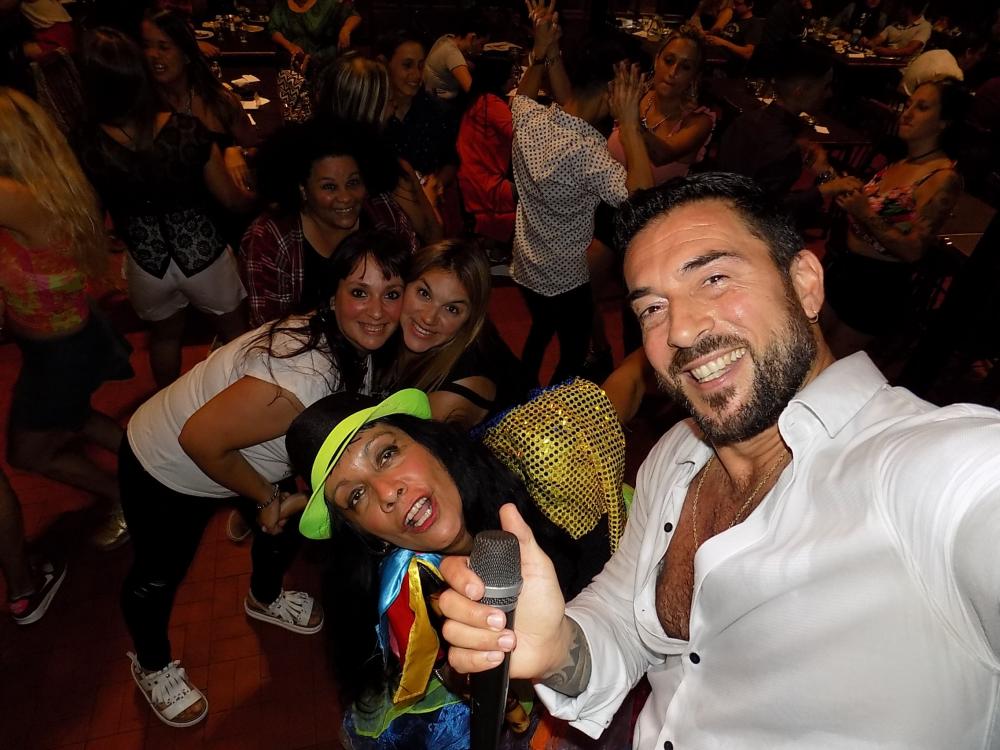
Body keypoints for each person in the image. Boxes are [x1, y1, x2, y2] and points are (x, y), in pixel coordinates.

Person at [437, 171, 1000, 749]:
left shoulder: (940, 468)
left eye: (713, 278)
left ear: (805, 284)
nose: (680, 329)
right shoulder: (676, 453)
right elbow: (626, 613)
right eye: (652, 308)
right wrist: (558, 647)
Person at [119, 230, 407, 728]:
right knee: (158, 573)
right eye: (360, 292)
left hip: (241, 454)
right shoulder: (302, 377)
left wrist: (275, 499)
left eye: (392, 293)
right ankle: (152, 663)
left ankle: (265, 596)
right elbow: (200, 440)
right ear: (333, 294)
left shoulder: (347, 337)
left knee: (285, 526)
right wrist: (265, 496)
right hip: (165, 462)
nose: (378, 311)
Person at [281, 376, 628, 747]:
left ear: (428, 443)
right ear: (364, 531)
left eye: (386, 454)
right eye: (356, 496)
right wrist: (459, 674)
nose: (387, 492)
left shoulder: (546, 472)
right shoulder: (401, 599)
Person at [76, 28, 253, 388]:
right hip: (204, 256)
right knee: (237, 336)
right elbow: (231, 201)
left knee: (165, 338)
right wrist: (262, 197)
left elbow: (91, 214)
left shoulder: (86, 142)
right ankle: (243, 402)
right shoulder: (185, 130)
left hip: (146, 264)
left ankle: (167, 404)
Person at [0, 86, 133, 553]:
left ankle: (125, 497)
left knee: (27, 453)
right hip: (65, 338)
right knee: (77, 417)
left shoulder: (13, 195)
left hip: (61, 353)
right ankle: (157, 472)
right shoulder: (45, 182)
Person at [510, 0, 652, 386]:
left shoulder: (530, 119)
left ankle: (521, 385)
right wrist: (629, 124)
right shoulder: (588, 154)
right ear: (613, 92)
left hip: (525, 263)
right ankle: (547, 404)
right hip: (565, 278)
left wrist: (544, 51)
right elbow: (642, 199)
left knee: (541, 329)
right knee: (573, 354)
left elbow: (526, 95)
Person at [822, 78, 966, 357]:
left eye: (922, 107)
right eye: (909, 104)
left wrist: (864, 213)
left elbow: (913, 250)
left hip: (877, 288)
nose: (907, 113)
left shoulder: (942, 177)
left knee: (828, 366)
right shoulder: (901, 161)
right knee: (804, 347)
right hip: (845, 268)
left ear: (943, 122)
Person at [241, 119, 409, 328]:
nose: (345, 197)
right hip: (301, 342)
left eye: (353, 183)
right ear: (303, 189)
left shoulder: (383, 214)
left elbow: (410, 284)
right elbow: (270, 326)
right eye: (329, 187)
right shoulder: (270, 237)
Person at [381, 240, 528, 429]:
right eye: (424, 293)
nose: (429, 318)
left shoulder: (453, 398)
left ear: (469, 320)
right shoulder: (389, 328)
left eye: (451, 309)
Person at [312, 53, 444, 247]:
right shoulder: (389, 172)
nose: (394, 106)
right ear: (370, 108)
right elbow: (433, 237)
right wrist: (429, 199)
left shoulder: (312, 165)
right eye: (389, 100)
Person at [715, 49, 857, 228]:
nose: (829, 94)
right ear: (800, 91)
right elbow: (769, 209)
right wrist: (824, 190)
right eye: (825, 86)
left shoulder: (748, 120)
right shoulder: (783, 145)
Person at [141, 9, 258, 193]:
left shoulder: (220, 101)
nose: (152, 54)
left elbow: (256, 150)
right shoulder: (141, 104)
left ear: (186, 55)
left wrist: (236, 152)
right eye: (147, 45)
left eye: (163, 47)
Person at [607, 27, 715, 187]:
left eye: (685, 67)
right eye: (669, 60)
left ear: (695, 76)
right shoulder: (638, 96)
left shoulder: (699, 121)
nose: (673, 72)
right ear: (657, 60)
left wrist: (630, 120)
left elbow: (661, 155)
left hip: (648, 202)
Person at [378, 30, 458, 188]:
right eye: (407, 65)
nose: (416, 74)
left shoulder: (437, 111)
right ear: (384, 64)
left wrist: (438, 182)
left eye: (421, 66)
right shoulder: (372, 111)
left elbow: (450, 160)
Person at [455, 51, 517, 244]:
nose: (514, 80)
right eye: (511, 76)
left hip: (471, 180)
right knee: (541, 193)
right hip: (486, 187)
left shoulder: (478, 99)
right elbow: (522, 135)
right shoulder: (490, 103)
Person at [268, 0, 361, 73]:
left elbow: (354, 16)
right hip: (294, 65)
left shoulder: (327, 3)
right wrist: (289, 45)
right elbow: (273, 29)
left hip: (324, 66)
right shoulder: (282, 4)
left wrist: (346, 29)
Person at [422, 11, 489, 102]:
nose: (482, 49)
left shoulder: (446, 38)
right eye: (482, 44)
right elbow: (470, 90)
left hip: (430, 95)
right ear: (472, 38)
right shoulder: (452, 53)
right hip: (441, 102)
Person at [702, 0, 765, 70]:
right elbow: (720, 34)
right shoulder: (733, 16)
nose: (734, 7)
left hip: (725, 66)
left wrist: (723, 42)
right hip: (710, 55)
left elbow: (747, 53)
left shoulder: (754, 24)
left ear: (750, 5)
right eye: (734, 3)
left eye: (738, 4)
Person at [865, 0, 931, 59]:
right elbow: (877, 40)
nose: (898, 11)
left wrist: (888, 52)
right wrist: (868, 43)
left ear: (908, 9)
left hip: (905, 67)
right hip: (885, 62)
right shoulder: (894, 25)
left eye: (901, 8)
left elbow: (909, 50)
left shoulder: (924, 26)